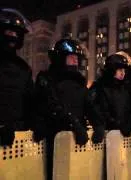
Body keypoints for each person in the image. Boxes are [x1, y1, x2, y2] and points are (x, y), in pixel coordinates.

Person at [32, 39, 104, 180]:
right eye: (71, 57)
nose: (75, 61)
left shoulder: (79, 81)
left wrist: (99, 124)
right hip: (54, 137)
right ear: (60, 58)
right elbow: (52, 104)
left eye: (77, 58)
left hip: (77, 138)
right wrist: (74, 124)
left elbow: (89, 104)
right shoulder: (47, 78)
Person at [0, 8, 34, 146]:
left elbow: (31, 100)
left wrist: (34, 123)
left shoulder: (23, 68)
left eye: (16, 33)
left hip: (17, 138)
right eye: (9, 31)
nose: (13, 36)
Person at [89, 53, 131, 137]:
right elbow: (98, 110)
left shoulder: (125, 87)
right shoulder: (100, 86)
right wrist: (115, 124)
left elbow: (130, 108)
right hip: (106, 134)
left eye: (124, 70)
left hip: (123, 135)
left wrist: (128, 124)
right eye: (120, 70)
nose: (123, 73)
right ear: (112, 69)